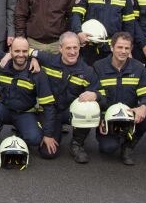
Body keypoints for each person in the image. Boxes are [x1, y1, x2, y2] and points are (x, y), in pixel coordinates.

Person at [33, 31, 103, 163]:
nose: (72, 52)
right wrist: (33, 59)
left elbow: (102, 94)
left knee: (89, 108)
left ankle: (77, 143)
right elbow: (27, 51)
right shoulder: (48, 59)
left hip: (71, 111)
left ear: (79, 47)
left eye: (75, 47)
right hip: (51, 111)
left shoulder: (87, 71)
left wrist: (95, 94)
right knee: (47, 153)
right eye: (68, 48)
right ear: (60, 48)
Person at [0, 37, 58, 160]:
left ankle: (22, 133)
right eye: (17, 51)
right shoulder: (1, 66)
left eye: (24, 51)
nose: (21, 55)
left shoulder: (37, 72)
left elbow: (49, 105)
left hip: (25, 113)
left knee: (35, 139)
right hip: (4, 110)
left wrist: (48, 134)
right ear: (10, 51)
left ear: (29, 52)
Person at [92, 32, 146, 165]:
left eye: (127, 48)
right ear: (112, 47)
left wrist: (143, 107)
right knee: (108, 149)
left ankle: (128, 146)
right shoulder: (98, 67)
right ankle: (116, 138)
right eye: (119, 47)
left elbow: (145, 96)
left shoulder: (138, 68)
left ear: (131, 50)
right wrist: (100, 119)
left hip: (130, 115)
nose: (123, 51)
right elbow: (96, 98)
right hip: (107, 117)